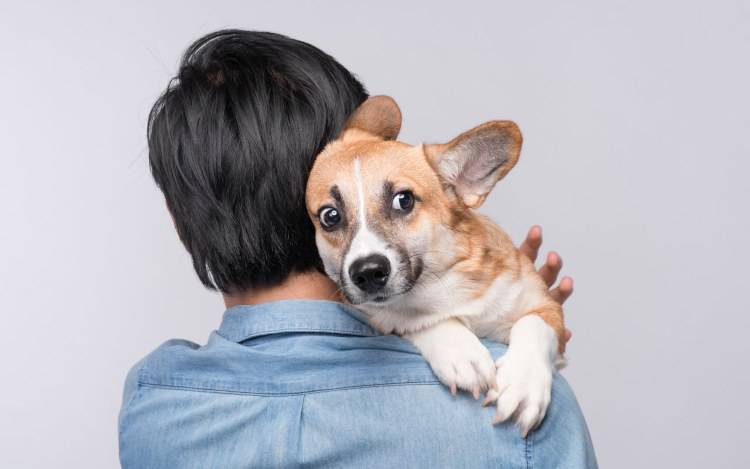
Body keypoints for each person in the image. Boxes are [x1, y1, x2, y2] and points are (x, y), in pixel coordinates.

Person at [119, 29, 597, 468]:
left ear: (180, 222)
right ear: (308, 203)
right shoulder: (529, 415)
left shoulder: (152, 401)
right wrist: (521, 346)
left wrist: (490, 311)